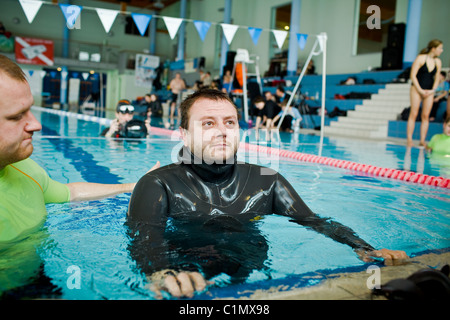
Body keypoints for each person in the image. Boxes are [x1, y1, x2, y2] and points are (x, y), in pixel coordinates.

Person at [127, 88, 407, 299]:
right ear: (184, 134)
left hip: (255, 279)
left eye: (229, 122)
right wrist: (160, 272)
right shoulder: (156, 185)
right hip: (186, 279)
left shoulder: (266, 180)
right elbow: (143, 240)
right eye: (208, 123)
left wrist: (364, 247)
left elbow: (314, 221)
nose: (222, 131)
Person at [0, 54, 160, 245]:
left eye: (30, 111)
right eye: (17, 116)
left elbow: (72, 192)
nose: (36, 125)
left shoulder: (26, 169)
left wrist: (134, 186)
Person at [407, 39, 444, 147]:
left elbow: (437, 77)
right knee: (413, 114)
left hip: (429, 90)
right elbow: (413, 75)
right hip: (416, 89)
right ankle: (410, 140)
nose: (441, 50)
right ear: (433, 49)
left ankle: (422, 140)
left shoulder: (438, 62)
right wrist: (420, 90)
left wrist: (433, 90)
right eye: (440, 48)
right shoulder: (421, 58)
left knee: (425, 115)